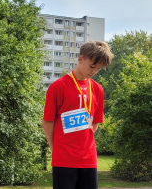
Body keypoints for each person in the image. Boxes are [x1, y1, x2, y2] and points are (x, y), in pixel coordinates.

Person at [42, 41, 114, 189]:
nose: (94, 72)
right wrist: (55, 148)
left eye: (99, 69)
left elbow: (95, 123)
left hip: (89, 160)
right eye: (92, 66)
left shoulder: (98, 90)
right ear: (81, 59)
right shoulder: (58, 86)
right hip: (64, 159)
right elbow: (47, 122)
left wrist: (82, 142)